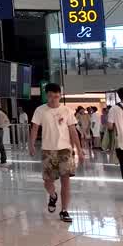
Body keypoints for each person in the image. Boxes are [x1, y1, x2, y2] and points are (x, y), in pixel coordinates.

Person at [29, 84, 83, 223]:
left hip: (65, 150)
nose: (54, 99)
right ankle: (52, 195)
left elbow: (73, 131)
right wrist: (31, 144)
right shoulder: (40, 110)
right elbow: (35, 128)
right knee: (48, 182)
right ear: (46, 95)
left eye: (57, 96)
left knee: (66, 181)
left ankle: (64, 210)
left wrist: (79, 149)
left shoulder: (66, 111)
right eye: (51, 96)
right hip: (48, 150)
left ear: (60, 96)